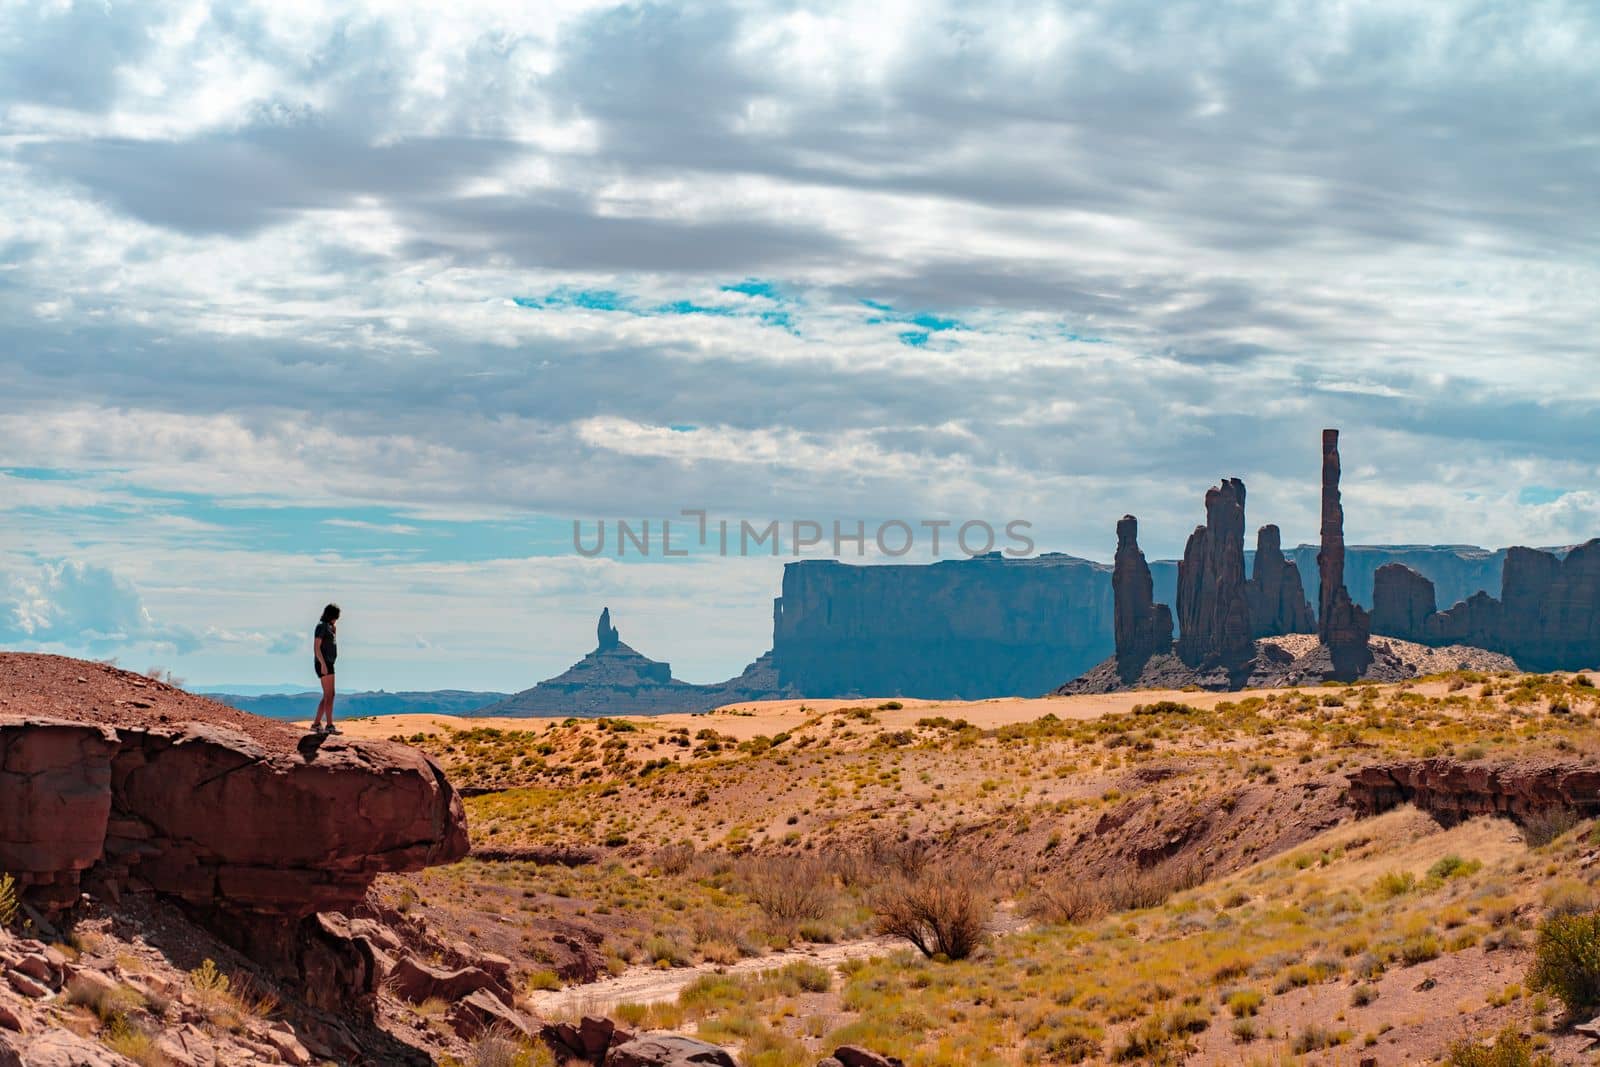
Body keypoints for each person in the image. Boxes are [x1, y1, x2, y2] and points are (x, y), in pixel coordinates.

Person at [312, 603, 341, 734]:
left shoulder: (329, 627)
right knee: (329, 695)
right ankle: (329, 726)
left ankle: (317, 724)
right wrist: (322, 664)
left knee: (329, 695)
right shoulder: (321, 627)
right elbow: (316, 647)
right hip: (323, 663)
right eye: (336, 616)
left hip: (329, 662)